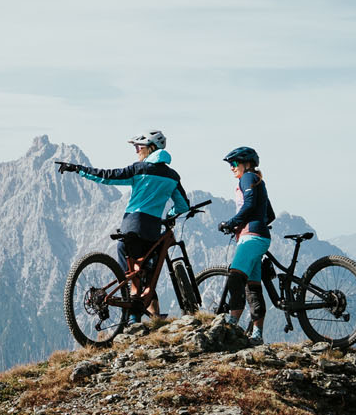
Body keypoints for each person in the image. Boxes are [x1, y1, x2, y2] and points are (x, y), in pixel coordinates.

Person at [56, 130, 190, 318]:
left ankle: (134, 318)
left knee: (130, 272)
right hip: (152, 229)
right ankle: (150, 318)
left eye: (138, 147)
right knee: (146, 273)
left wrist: (78, 169)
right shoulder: (173, 176)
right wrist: (170, 214)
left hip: (132, 225)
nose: (136, 151)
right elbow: (183, 205)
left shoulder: (139, 169)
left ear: (151, 149)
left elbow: (107, 176)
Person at [215, 145, 274, 327]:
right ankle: (257, 334)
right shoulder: (257, 180)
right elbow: (270, 214)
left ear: (247, 163)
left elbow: (248, 205)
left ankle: (232, 323)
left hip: (252, 238)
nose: (231, 167)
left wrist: (232, 223)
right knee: (253, 288)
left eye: (234, 163)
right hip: (259, 236)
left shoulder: (247, 177)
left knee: (235, 277)